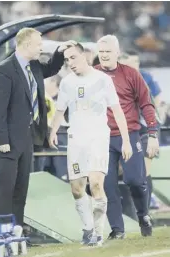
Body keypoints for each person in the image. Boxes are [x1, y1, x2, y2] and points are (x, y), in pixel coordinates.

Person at [0, 27, 76, 229]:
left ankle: (17, 230)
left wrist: (60, 52)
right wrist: (1, 140)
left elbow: (52, 69)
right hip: (8, 141)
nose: (41, 48)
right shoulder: (5, 69)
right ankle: (2, 231)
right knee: (5, 187)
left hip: (28, 138)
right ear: (27, 44)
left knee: (21, 188)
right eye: (39, 45)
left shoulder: (34, 65)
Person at [49, 43, 132, 246]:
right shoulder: (67, 82)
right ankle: (87, 229)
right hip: (76, 140)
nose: (71, 63)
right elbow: (60, 110)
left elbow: (117, 110)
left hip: (98, 137)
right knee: (77, 189)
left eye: (74, 58)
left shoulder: (102, 80)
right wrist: (52, 132)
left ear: (85, 55)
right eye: (67, 60)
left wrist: (126, 140)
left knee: (95, 183)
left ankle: (98, 232)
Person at [94, 35, 159, 239]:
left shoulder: (130, 74)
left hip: (129, 134)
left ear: (117, 53)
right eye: (101, 52)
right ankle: (117, 229)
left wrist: (153, 133)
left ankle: (143, 215)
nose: (104, 56)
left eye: (107, 52)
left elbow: (147, 104)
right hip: (101, 137)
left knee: (135, 180)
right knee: (107, 184)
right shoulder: (92, 74)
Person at [119, 50, 162, 209]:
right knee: (130, 173)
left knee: (144, 170)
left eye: (136, 62)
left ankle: (145, 208)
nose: (135, 66)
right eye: (131, 63)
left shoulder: (142, 79)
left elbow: (154, 101)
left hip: (146, 129)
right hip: (128, 130)